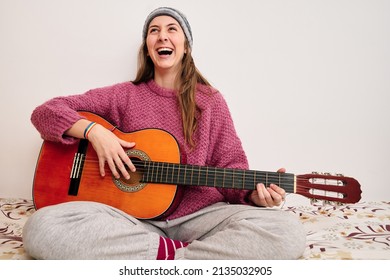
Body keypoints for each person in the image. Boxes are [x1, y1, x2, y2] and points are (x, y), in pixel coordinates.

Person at [23, 7, 306, 260]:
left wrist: (253, 196)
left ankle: (165, 257)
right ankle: (171, 253)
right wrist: (95, 132)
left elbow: (232, 166)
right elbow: (45, 113)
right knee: (40, 227)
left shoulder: (209, 101)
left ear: (186, 47)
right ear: (147, 48)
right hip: (130, 221)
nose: (162, 36)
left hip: (201, 218)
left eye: (172, 29)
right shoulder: (124, 95)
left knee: (287, 230)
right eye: (154, 31)